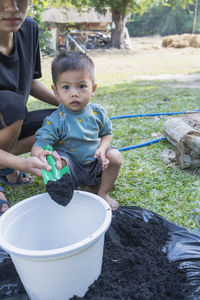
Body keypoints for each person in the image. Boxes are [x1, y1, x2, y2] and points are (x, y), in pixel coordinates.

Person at [31, 51, 122, 210]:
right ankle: (71, 191)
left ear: (93, 88)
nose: (74, 93)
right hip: (71, 166)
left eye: (81, 86)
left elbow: (107, 134)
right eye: (66, 87)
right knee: (59, 163)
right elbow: (39, 145)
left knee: (114, 156)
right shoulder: (55, 121)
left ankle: (103, 192)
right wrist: (40, 154)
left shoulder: (97, 112)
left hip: (96, 162)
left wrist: (102, 148)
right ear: (56, 91)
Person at [0, 0, 62, 215]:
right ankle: (7, 166)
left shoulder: (29, 29)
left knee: (62, 120)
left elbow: (30, 81)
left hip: (11, 125)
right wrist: (22, 163)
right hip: (10, 115)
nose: (13, 7)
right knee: (11, 105)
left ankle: (4, 164)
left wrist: (69, 105)